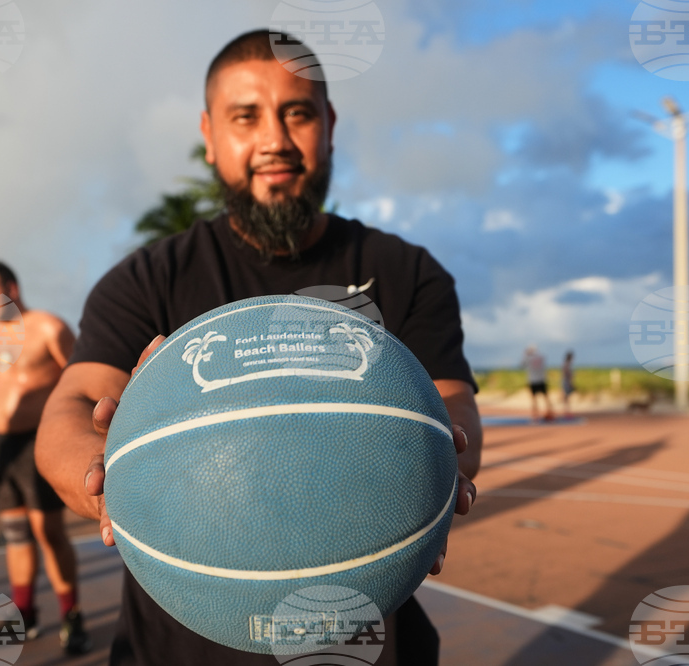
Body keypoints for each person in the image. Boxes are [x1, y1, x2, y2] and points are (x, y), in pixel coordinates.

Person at [36, 29, 481, 666]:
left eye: (296, 113)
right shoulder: (148, 278)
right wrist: (110, 484)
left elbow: (453, 404)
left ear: (328, 125)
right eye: (245, 117)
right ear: (209, 135)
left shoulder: (407, 270)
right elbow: (69, 407)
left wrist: (443, 466)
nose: (274, 139)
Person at [0, 261, 91, 655]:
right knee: (16, 534)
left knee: (49, 533)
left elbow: (81, 379)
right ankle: (24, 613)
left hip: (40, 441)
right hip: (4, 447)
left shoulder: (48, 328)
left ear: (12, 288)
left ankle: (71, 615)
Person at [522, 344, 553, 422]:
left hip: (533, 380)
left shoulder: (527, 358)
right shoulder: (541, 357)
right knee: (546, 398)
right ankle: (550, 413)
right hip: (542, 380)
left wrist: (525, 354)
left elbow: (522, 365)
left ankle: (535, 416)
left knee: (534, 399)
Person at [561, 349, 575, 419]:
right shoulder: (567, 364)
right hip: (566, 382)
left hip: (566, 382)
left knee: (566, 397)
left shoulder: (566, 364)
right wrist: (570, 382)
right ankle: (567, 412)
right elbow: (566, 374)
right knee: (566, 397)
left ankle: (567, 411)